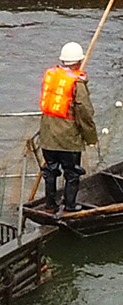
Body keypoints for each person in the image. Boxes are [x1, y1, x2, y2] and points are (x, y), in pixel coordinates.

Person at [38, 41, 97, 214]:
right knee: (72, 173)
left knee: (50, 171)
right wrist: (91, 138)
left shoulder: (51, 75)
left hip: (47, 136)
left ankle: (50, 206)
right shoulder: (76, 82)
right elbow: (84, 112)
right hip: (68, 138)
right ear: (78, 62)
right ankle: (70, 206)